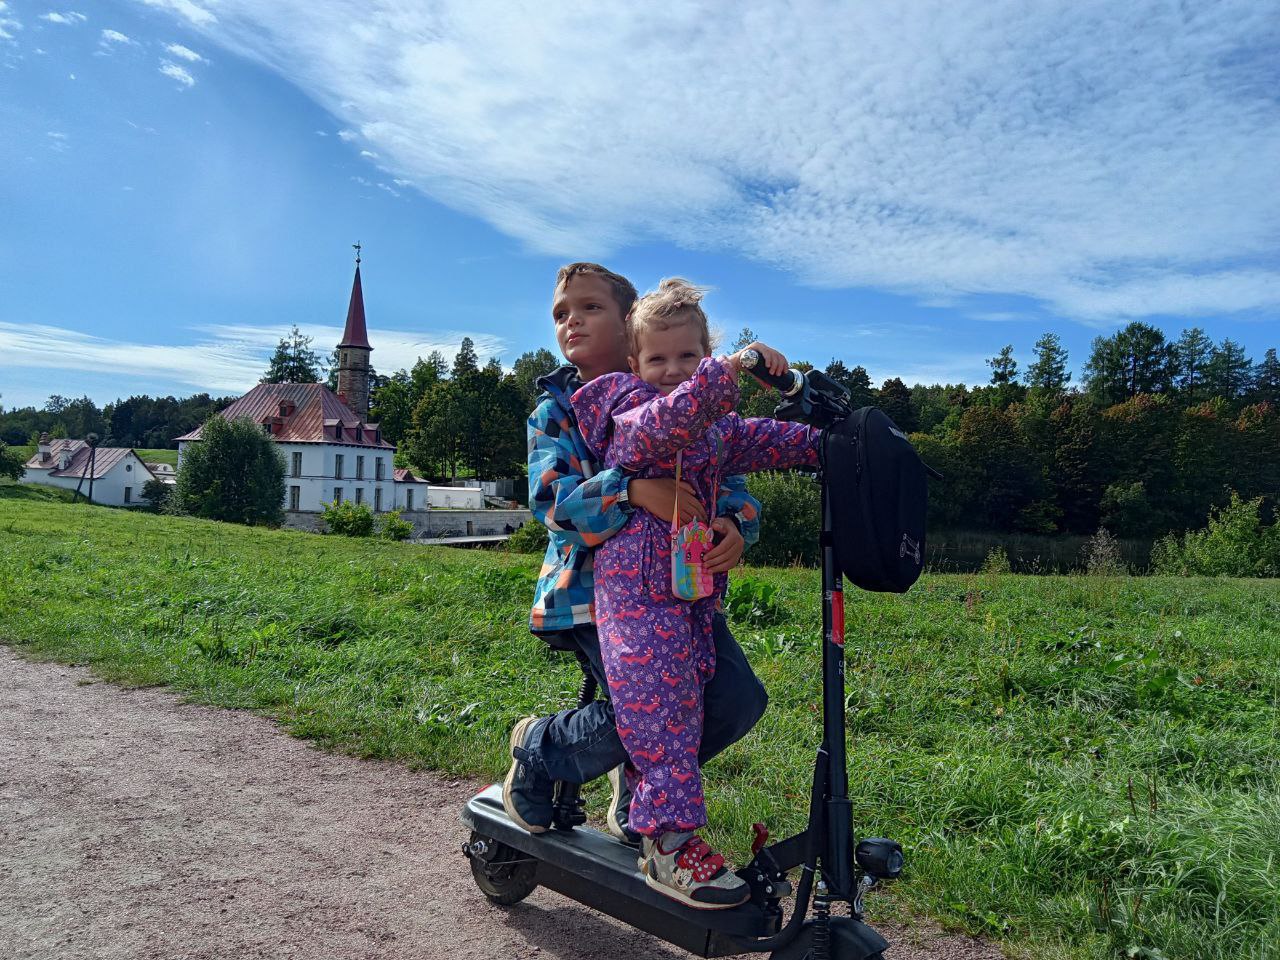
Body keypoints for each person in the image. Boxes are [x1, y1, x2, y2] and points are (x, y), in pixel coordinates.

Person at [570, 278, 822, 909]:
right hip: (634, 595)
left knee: (699, 700)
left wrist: (836, 447)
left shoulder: (714, 425)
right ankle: (670, 844)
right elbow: (666, 421)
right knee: (665, 708)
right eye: (658, 358)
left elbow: (765, 438)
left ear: (703, 349)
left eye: (687, 356)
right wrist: (724, 371)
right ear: (636, 363)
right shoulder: (628, 410)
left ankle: (641, 807)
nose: (672, 371)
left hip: (689, 595)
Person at [503, 263, 768, 856]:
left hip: (677, 591)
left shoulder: (685, 402)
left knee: (737, 700)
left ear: (630, 327)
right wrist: (629, 490)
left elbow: (734, 483)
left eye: (590, 307)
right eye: (561, 312)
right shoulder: (558, 410)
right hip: (590, 597)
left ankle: (640, 787)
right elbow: (553, 505)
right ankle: (540, 749)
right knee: (651, 711)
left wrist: (735, 524)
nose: (571, 320)